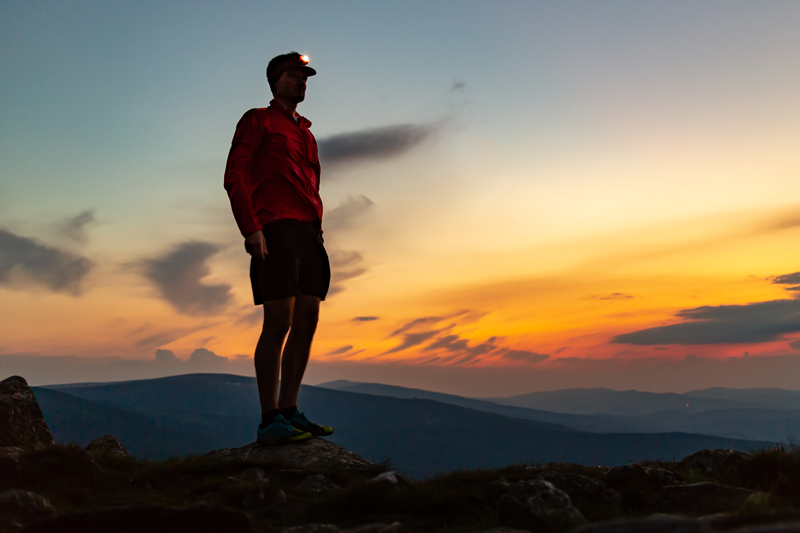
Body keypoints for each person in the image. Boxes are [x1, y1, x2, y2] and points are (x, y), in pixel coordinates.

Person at [224, 52, 333, 445]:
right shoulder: (257, 120)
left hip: (309, 232)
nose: (301, 82)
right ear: (275, 80)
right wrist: (251, 228)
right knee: (280, 322)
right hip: (275, 228)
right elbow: (235, 174)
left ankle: (289, 410)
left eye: (305, 77)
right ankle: (270, 419)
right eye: (293, 75)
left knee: (307, 320)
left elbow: (312, 184)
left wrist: (317, 227)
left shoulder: (306, 133)